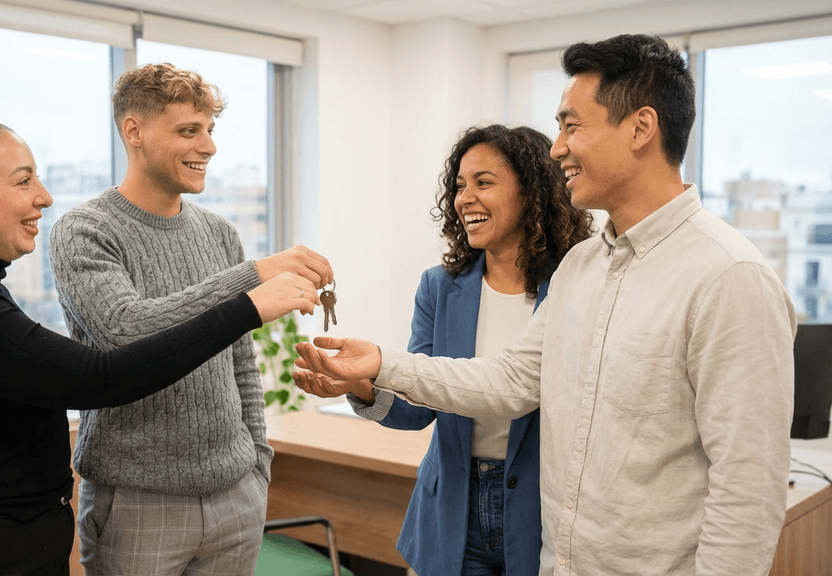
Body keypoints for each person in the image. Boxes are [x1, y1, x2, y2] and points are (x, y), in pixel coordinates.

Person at [295, 34, 796, 576]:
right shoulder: (583, 267)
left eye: (571, 125)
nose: (557, 148)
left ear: (640, 128)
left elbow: (747, 489)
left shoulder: (729, 277)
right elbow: (511, 381)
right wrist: (380, 364)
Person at [0, 117, 319, 576]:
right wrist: (247, 305)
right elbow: (99, 377)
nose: (44, 196)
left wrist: (257, 462)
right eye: (24, 181)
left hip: (0, 544)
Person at [49, 62, 333, 575]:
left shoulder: (220, 233)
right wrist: (252, 280)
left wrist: (257, 464)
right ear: (133, 132)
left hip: (235, 497)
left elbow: (240, 361)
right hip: (136, 501)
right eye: (188, 130)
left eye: (209, 130)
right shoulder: (83, 230)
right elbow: (125, 331)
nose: (208, 146)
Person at [294, 125, 592, 576]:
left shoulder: (575, 288)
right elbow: (419, 408)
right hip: (453, 506)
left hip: (540, 511)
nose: (464, 198)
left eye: (483, 182)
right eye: (459, 186)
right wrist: (363, 385)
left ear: (532, 192)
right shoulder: (440, 287)